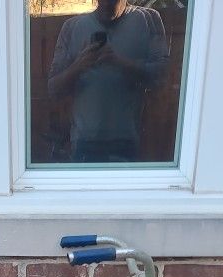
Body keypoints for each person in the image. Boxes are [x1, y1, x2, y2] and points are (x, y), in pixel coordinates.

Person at [48, 0, 169, 163]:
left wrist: (119, 62)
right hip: (84, 143)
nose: (105, 3)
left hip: (127, 142)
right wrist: (78, 66)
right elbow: (53, 89)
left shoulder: (148, 20)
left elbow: (160, 79)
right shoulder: (72, 27)